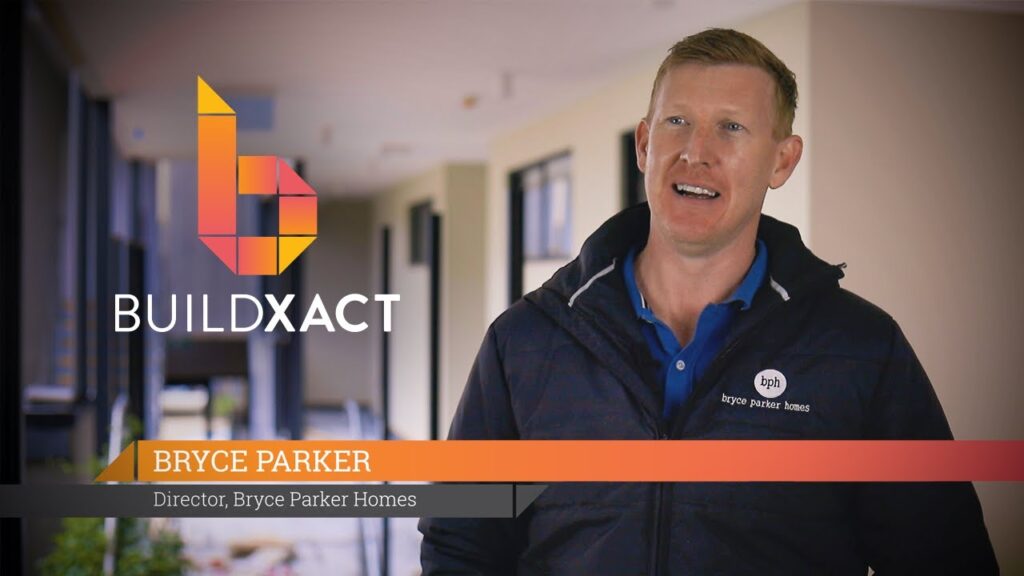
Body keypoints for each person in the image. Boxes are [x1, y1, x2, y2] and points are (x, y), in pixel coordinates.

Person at [419, 28, 997, 574]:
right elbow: (459, 539)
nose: (696, 151)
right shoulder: (525, 341)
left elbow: (945, 554)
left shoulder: (861, 351)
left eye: (731, 128)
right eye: (677, 121)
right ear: (645, 144)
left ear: (782, 161)